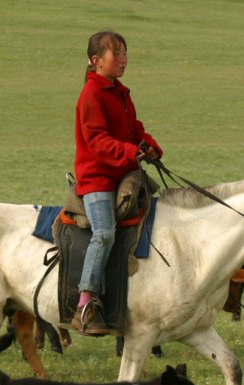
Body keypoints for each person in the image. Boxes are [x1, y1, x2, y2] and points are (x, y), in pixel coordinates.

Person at [71, 30, 162, 336]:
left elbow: (134, 128)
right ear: (96, 61)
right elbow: (96, 141)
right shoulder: (91, 95)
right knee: (105, 234)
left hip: (122, 173)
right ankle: (85, 301)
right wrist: (129, 151)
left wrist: (149, 146)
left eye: (125, 53)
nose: (123, 59)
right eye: (116, 54)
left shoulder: (120, 92)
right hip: (97, 178)